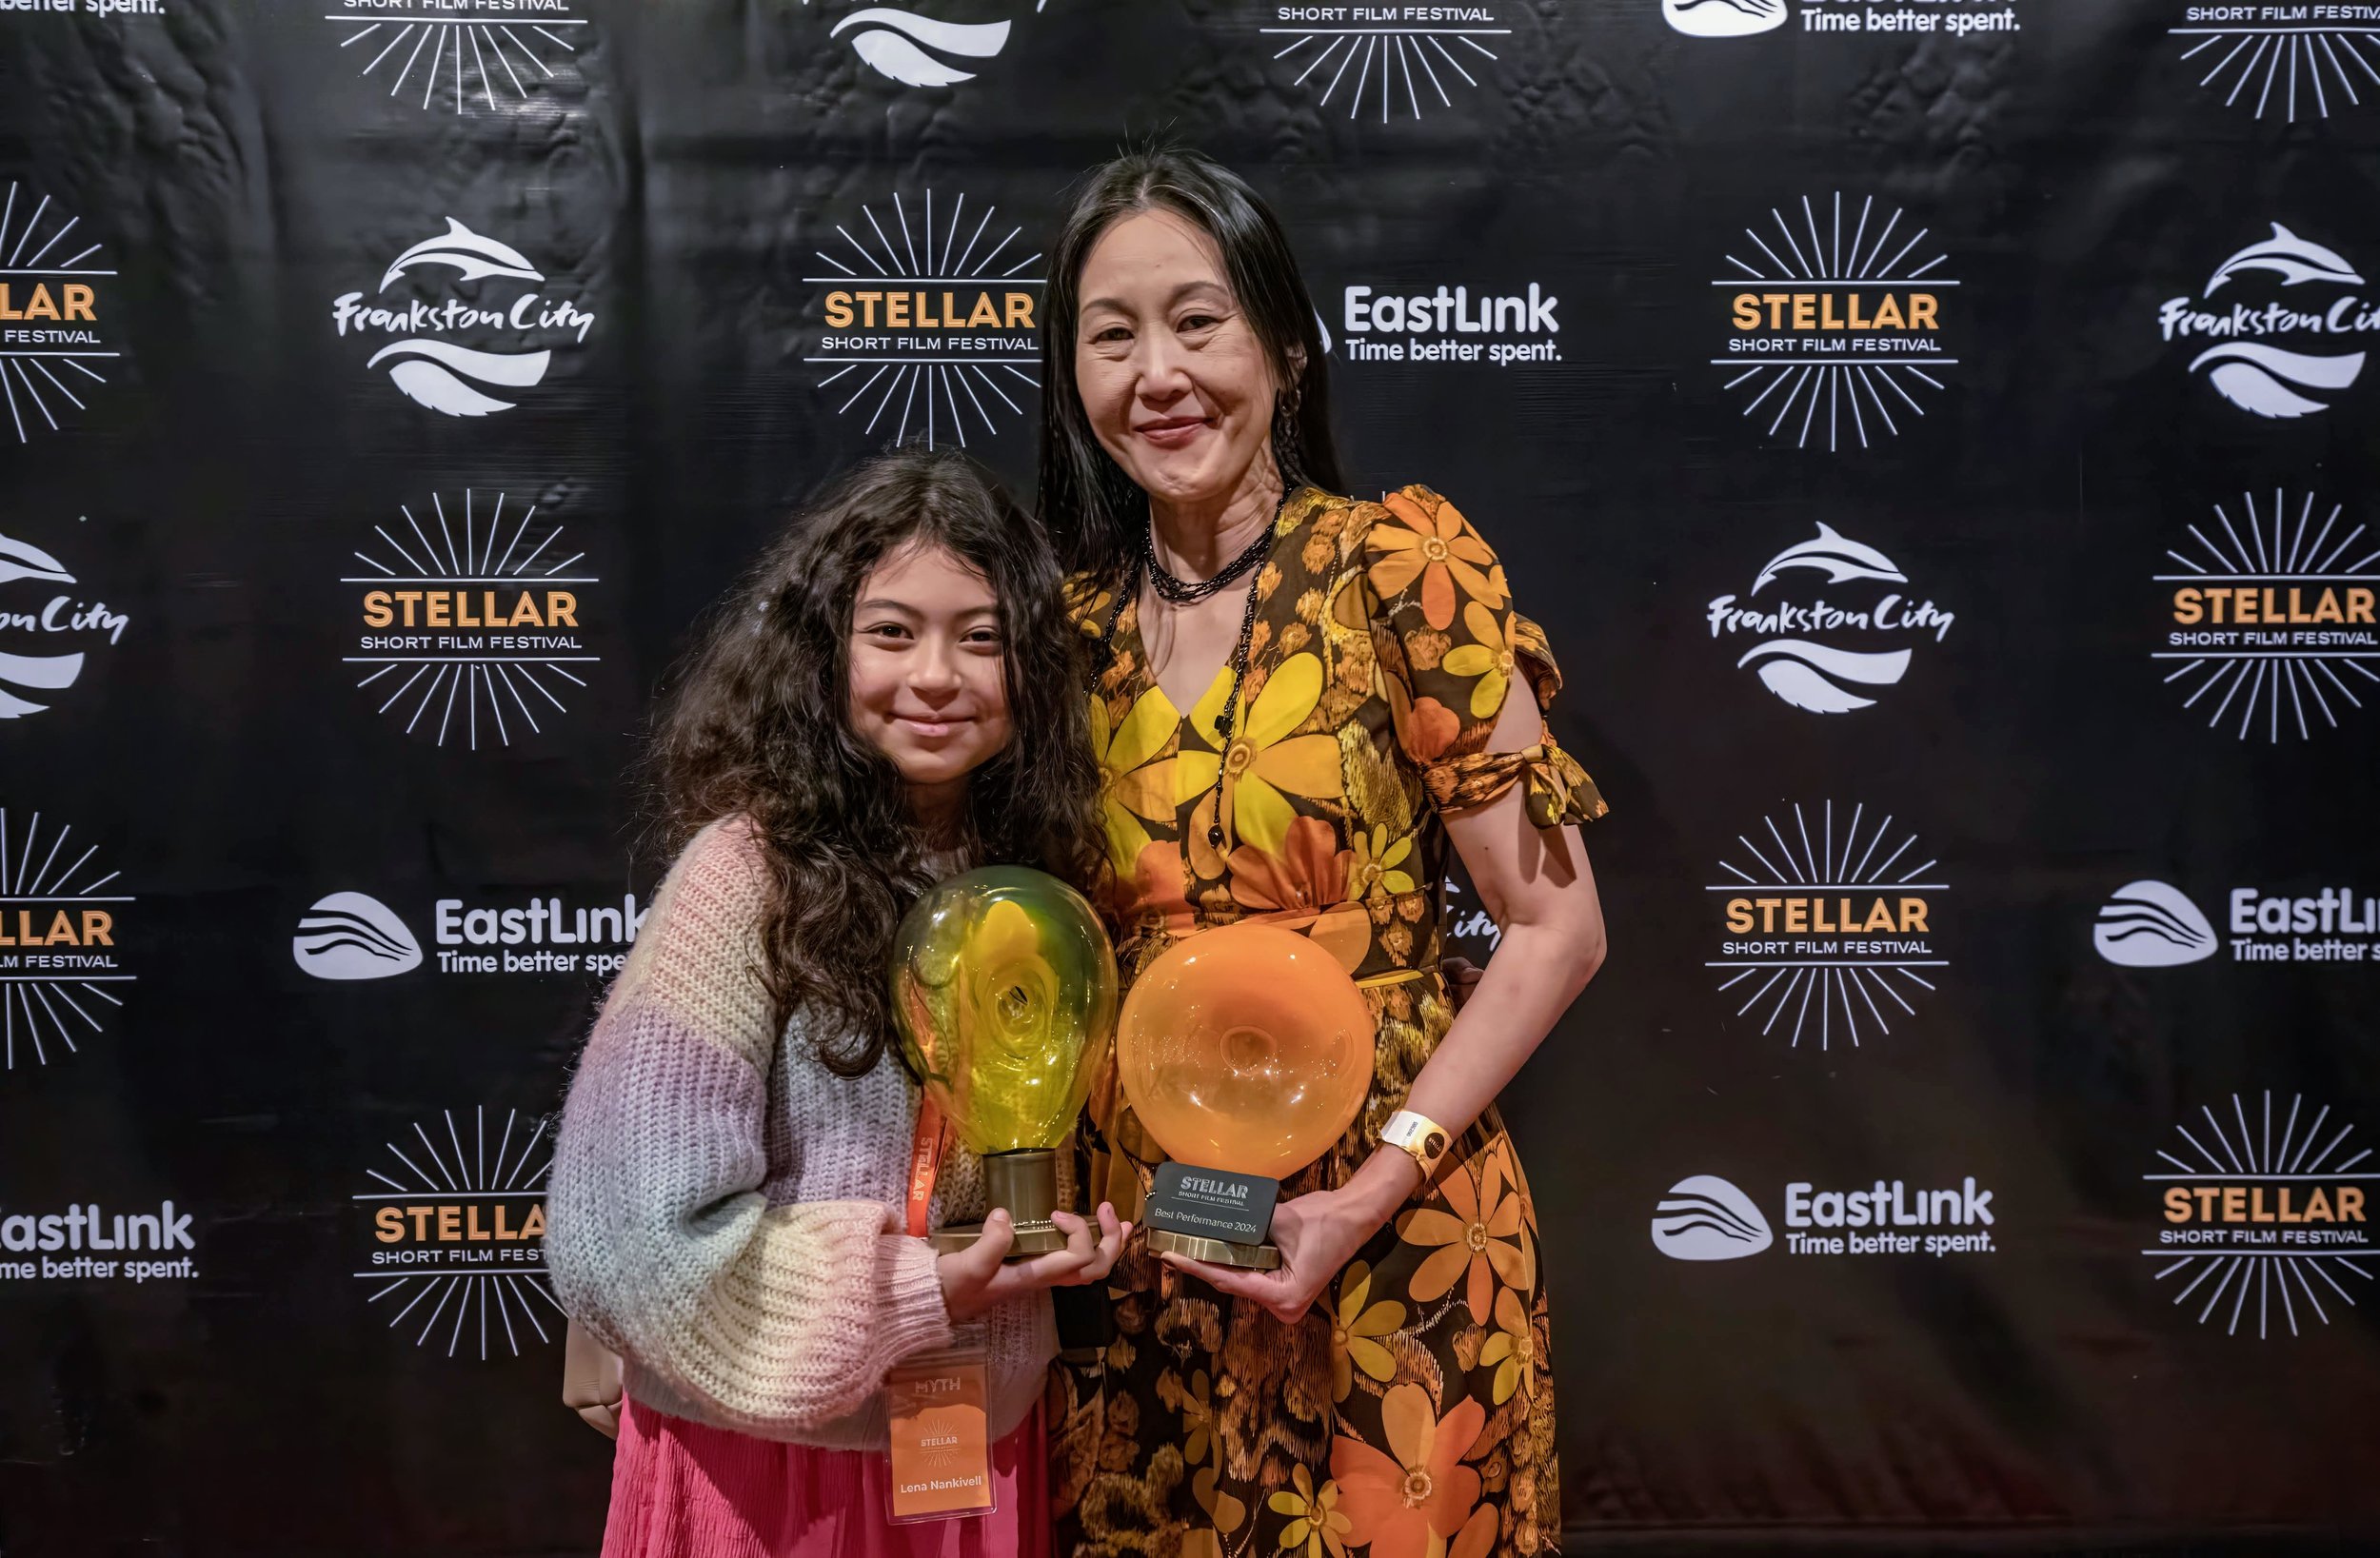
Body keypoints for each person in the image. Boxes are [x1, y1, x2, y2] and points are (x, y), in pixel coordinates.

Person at [1039, 148, 1611, 1557]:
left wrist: (1368, 1192)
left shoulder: (1395, 567)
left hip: (1393, 1230)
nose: (1156, 373)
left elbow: (1556, 928)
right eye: (1111, 336)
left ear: (1285, 347)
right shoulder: (1064, 633)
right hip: (1151, 1248)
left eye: (1198, 320)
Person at [546, 449, 1130, 1558]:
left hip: (973, 1445)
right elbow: (631, 1236)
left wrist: (1073, 1230)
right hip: (771, 1466)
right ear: (825, 653)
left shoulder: (1047, 880)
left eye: (983, 635)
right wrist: (914, 1285)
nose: (938, 674)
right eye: (893, 631)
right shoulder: (743, 874)